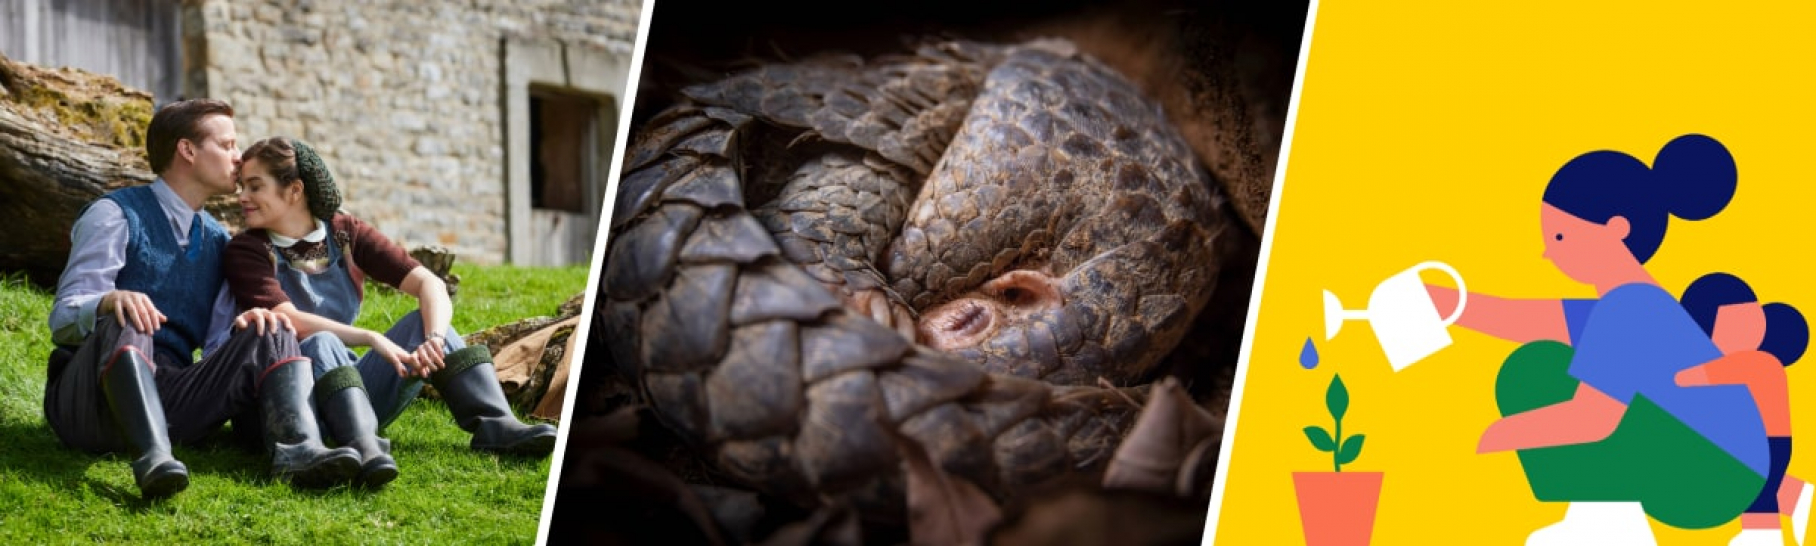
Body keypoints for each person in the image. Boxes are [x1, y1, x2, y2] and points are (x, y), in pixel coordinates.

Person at [1423, 133, 1770, 543]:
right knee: (1543, 363)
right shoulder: (1633, 303)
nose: (1548, 254)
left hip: (1712, 476)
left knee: (1535, 374)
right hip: (1722, 466)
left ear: (1616, 229)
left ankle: (1606, 525)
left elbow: (1593, 420)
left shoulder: (1630, 308)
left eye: (1559, 238)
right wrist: (1442, 303)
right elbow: (1517, 318)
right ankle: (1605, 520)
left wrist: (1493, 436)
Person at [43, 99, 361, 500]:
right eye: (227, 145)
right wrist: (109, 300)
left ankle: (300, 451)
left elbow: (215, 349)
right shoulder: (114, 214)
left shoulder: (218, 241)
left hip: (172, 397)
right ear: (188, 151)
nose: (238, 156)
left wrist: (245, 332)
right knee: (130, 314)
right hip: (88, 404)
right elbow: (63, 317)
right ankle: (154, 458)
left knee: (271, 324)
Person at [221, 136, 557, 483]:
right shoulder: (246, 250)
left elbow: (430, 285)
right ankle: (365, 446)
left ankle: (496, 425)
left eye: (254, 186)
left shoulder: (344, 233)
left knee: (421, 325)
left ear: (294, 190)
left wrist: (435, 339)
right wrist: (370, 337)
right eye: (242, 186)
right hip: (286, 408)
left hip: (343, 385)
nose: (242, 197)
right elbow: (287, 320)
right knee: (322, 342)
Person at [1671, 273, 1809, 546]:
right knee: (1761, 488)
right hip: (1760, 441)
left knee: (1757, 495)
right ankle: (1795, 497)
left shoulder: (1756, 362)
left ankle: (1763, 535)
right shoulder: (1754, 363)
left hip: (1765, 442)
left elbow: (1688, 378)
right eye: (1739, 322)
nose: (1751, 327)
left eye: (1750, 319)